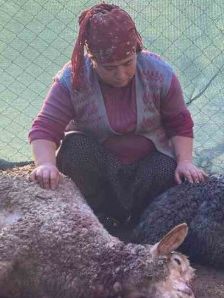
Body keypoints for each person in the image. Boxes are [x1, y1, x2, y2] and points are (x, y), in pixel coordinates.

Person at [28, 2, 207, 225]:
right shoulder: (73, 79)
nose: (121, 75)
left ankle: (142, 224)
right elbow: (45, 127)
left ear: (136, 51)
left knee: (167, 168)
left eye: (127, 63)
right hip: (99, 170)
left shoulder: (160, 74)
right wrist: (45, 164)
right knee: (74, 149)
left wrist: (186, 161)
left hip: (146, 169)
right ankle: (97, 221)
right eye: (109, 68)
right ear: (91, 60)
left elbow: (179, 124)